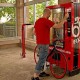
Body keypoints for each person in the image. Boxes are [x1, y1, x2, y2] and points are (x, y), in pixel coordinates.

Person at [32, 8, 69, 80]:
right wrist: (65, 17)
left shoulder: (37, 21)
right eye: (50, 14)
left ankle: (41, 72)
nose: (50, 15)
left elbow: (34, 32)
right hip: (44, 43)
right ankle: (35, 76)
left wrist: (41, 36)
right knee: (42, 59)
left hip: (39, 43)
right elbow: (59, 26)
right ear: (48, 13)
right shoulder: (46, 21)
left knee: (42, 58)